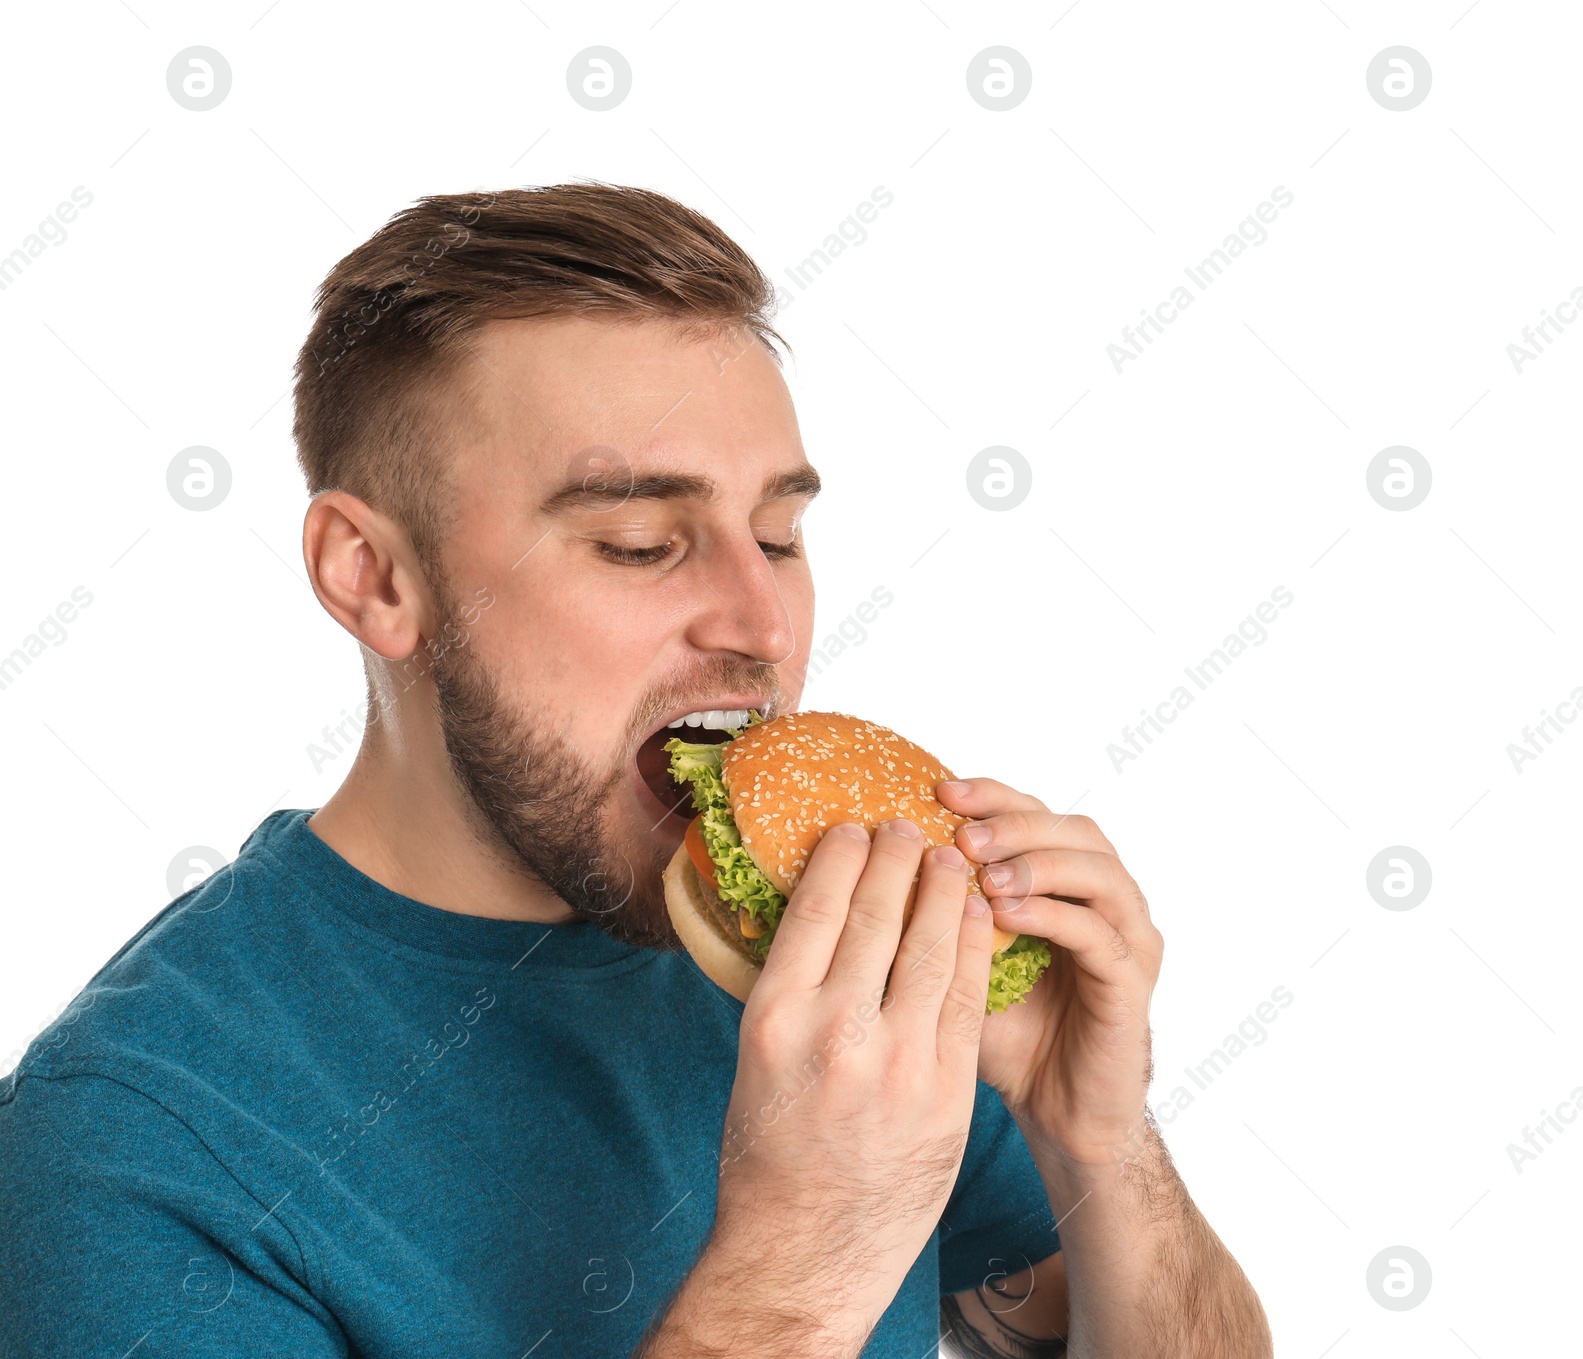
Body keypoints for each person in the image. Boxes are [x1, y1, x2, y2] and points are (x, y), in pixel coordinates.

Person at [0, 183, 1271, 1357]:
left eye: (776, 535)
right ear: (372, 576)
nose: (762, 625)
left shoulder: (822, 958)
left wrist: (1094, 1137)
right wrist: (803, 1251)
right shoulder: (128, 1160)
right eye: (641, 543)